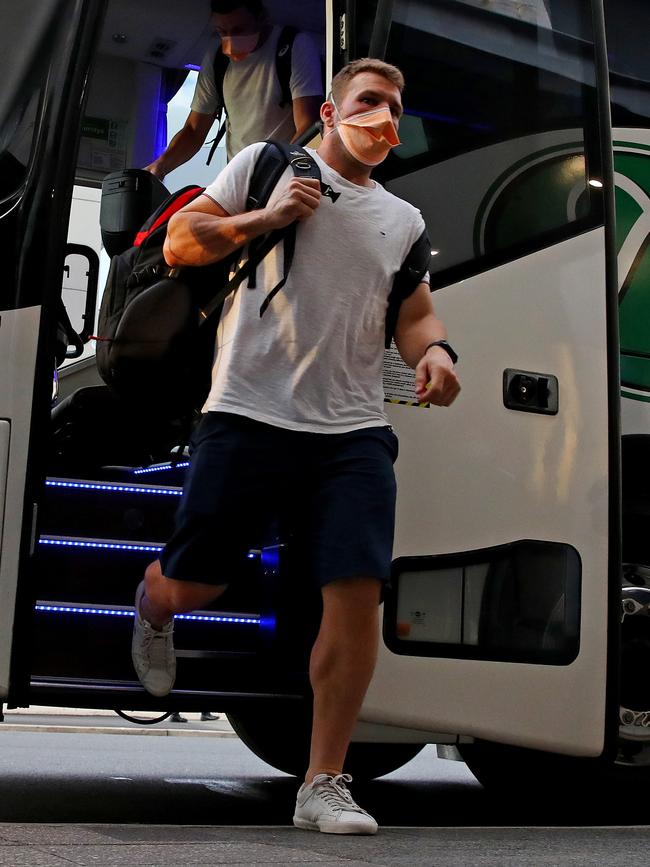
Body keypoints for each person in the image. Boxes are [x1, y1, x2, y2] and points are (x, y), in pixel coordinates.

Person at [132, 57, 461, 834]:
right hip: (248, 411)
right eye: (371, 101)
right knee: (197, 584)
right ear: (331, 111)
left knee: (354, 598)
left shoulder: (402, 219)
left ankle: (323, 780)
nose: (386, 117)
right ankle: (155, 603)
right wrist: (266, 217)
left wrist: (436, 352)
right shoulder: (269, 165)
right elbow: (182, 243)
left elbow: (412, 309)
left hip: (350, 431)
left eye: (397, 105)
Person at [144, 0, 323, 176]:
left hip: (283, 171)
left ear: (262, 18)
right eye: (222, 32)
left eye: (239, 30)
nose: (230, 41)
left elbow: (307, 125)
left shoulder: (294, 45)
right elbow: (194, 130)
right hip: (238, 176)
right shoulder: (216, 60)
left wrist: (274, 176)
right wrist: (159, 167)